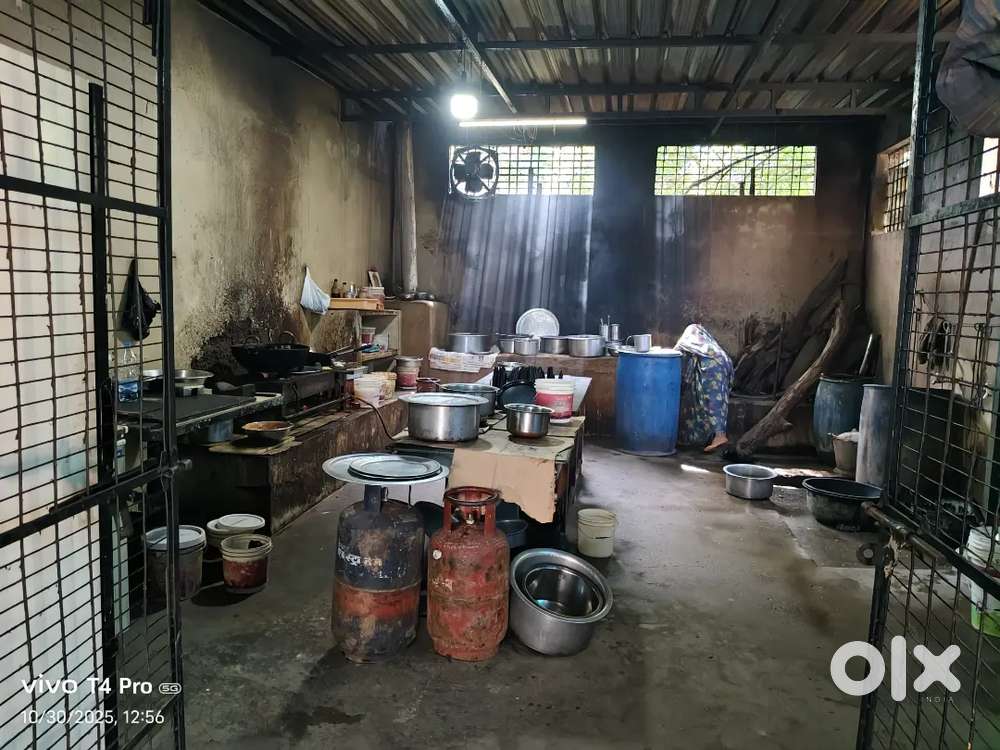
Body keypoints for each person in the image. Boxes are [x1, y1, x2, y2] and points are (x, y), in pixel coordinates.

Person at [675, 324, 734, 453]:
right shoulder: (713, 348)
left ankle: (719, 436)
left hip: (710, 371)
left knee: (711, 403)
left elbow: (677, 366)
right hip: (722, 368)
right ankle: (716, 436)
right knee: (718, 404)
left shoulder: (687, 343)